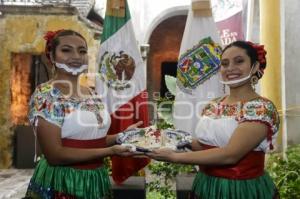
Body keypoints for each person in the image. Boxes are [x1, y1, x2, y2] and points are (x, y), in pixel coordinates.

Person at [147, 40, 280, 199]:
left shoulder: (260, 108)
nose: (230, 68)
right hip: (205, 184)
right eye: (224, 63)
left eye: (239, 61)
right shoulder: (214, 104)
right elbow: (205, 145)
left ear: (255, 66)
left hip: (240, 189)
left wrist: (174, 157)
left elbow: (230, 155)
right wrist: (171, 138)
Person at [24, 29, 141, 199]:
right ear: (51, 55)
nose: (76, 56)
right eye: (66, 50)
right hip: (63, 180)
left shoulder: (91, 92)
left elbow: (89, 140)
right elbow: (55, 155)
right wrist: (110, 151)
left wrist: (120, 137)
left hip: (95, 179)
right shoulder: (47, 95)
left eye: (82, 51)